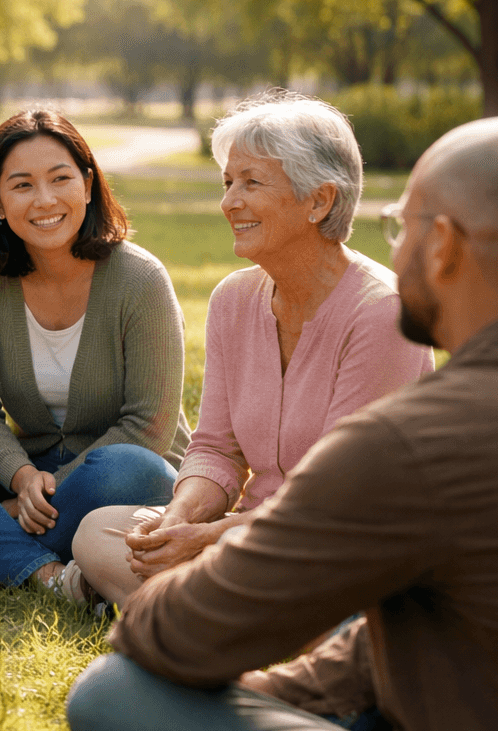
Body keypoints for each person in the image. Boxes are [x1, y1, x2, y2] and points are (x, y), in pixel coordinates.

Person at [5, 116, 498, 731]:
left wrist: (207, 673)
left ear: (441, 245)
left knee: (113, 696)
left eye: (398, 225)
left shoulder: (414, 438)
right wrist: (279, 689)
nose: (392, 246)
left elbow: (171, 638)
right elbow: (413, 620)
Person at [71, 91, 432, 603]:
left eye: (251, 182)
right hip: (244, 539)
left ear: (320, 200)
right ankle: (198, 616)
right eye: (227, 182)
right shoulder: (233, 300)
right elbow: (217, 448)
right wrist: (176, 521)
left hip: (340, 544)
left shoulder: (382, 312)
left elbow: (335, 498)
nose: (229, 201)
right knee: (99, 532)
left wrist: (206, 538)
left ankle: (176, 616)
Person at [0, 108, 189, 597]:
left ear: (87, 185)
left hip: (127, 477)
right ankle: (46, 572)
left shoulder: (140, 279)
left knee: (125, 465)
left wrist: (43, 492)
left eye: (60, 178)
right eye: (22, 185)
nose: (45, 200)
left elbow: (149, 425)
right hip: (27, 469)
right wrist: (21, 477)